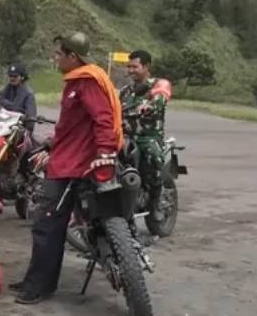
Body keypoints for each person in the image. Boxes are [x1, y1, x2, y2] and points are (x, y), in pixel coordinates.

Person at [11, 32, 123, 305]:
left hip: (73, 167)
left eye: (59, 54)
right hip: (66, 159)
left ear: (73, 56)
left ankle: (39, 287)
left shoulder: (87, 83)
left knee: (47, 224)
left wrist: (105, 153)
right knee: (48, 224)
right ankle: (36, 280)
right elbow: (72, 126)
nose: (55, 58)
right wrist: (51, 144)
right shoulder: (76, 82)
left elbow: (104, 120)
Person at [120, 49, 170, 222]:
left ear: (146, 66)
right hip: (125, 136)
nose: (130, 70)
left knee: (153, 157)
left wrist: (149, 106)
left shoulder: (159, 84)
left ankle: (154, 203)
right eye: (129, 67)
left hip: (148, 137)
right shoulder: (125, 91)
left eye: (135, 67)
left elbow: (161, 97)